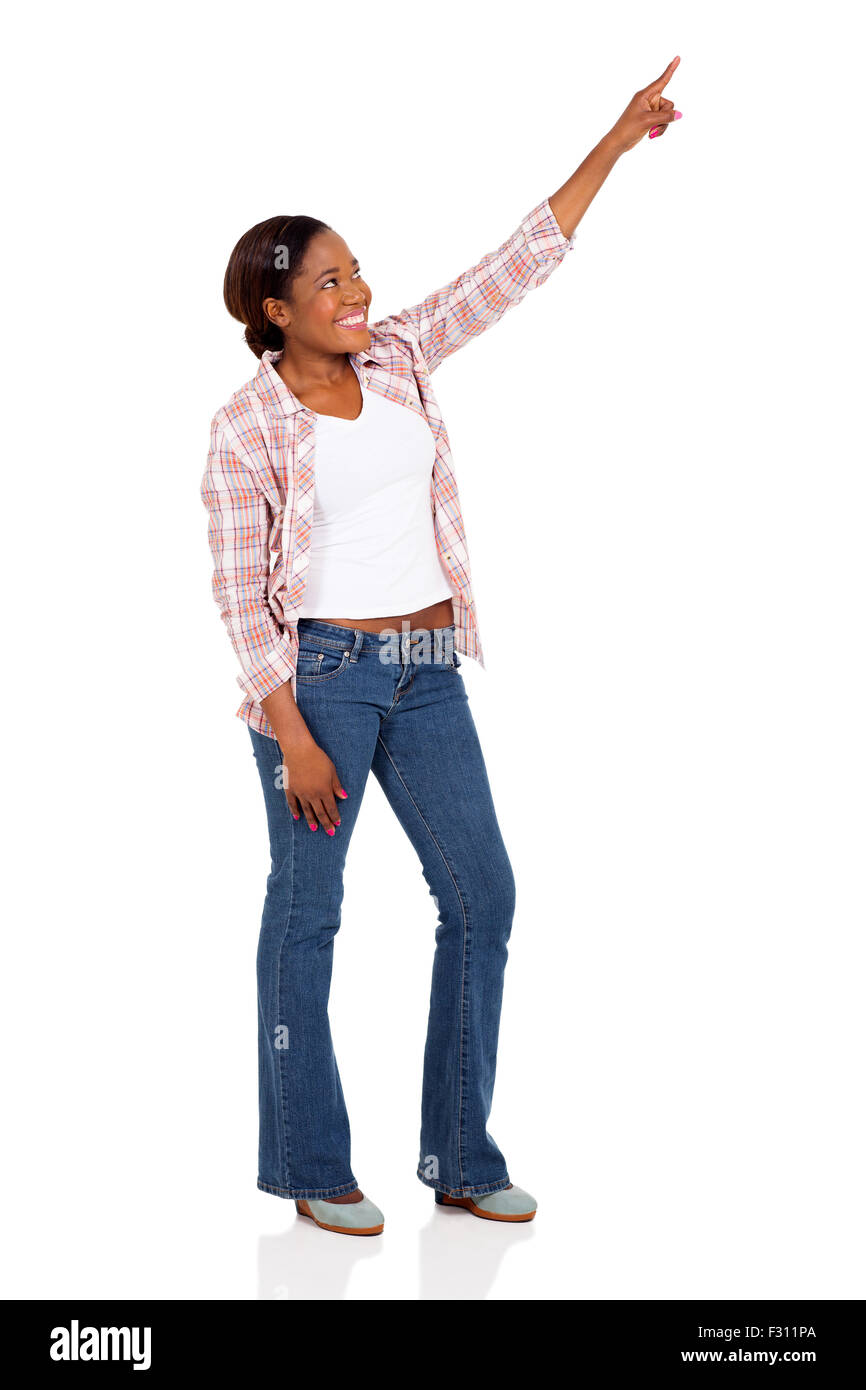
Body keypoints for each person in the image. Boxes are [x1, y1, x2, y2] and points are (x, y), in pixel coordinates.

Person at [200, 59, 682, 1237]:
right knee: (307, 917)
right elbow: (232, 595)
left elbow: (512, 267)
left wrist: (612, 144)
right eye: (327, 281)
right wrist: (290, 731)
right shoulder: (246, 425)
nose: (356, 291)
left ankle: (460, 1155)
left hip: (427, 677)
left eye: (356, 269)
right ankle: (313, 1165)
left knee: (482, 894)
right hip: (319, 685)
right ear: (274, 308)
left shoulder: (400, 355)